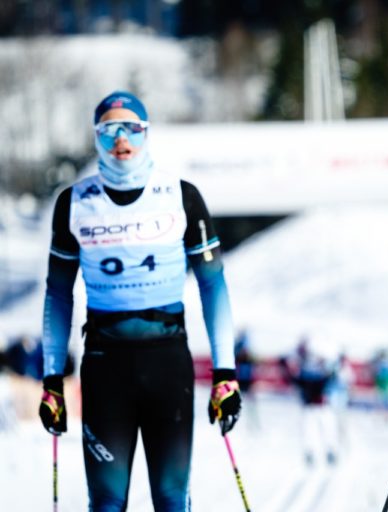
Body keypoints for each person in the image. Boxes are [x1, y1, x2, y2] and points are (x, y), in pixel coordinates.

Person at [37, 91, 242, 511]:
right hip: (104, 366)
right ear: (96, 138)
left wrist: (226, 372)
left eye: (132, 128)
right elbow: (57, 293)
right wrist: (52, 380)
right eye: (109, 129)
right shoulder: (73, 204)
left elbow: (213, 285)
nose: (121, 139)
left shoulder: (181, 196)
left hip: (166, 362)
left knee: (171, 501)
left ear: (147, 134)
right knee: (107, 503)